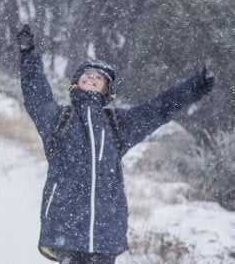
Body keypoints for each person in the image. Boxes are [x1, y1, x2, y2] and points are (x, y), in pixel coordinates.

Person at [16, 25, 214, 263]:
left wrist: (195, 87)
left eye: (99, 77)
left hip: (105, 230)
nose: (91, 77)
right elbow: (37, 94)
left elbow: (158, 109)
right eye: (86, 74)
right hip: (66, 227)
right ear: (75, 83)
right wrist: (28, 55)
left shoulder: (118, 125)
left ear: (106, 90)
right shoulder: (59, 121)